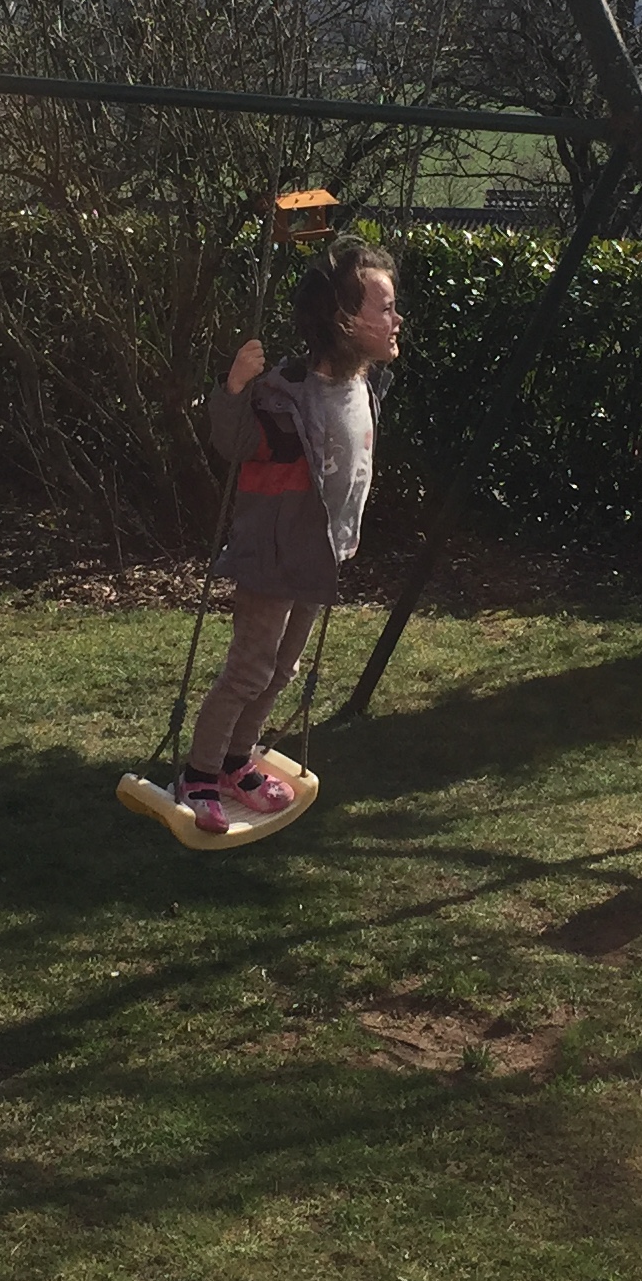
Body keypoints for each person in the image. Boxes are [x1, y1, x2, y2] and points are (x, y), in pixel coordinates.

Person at [126, 235, 401, 840]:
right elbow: (235, 443)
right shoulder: (284, 395)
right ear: (344, 321)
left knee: (281, 671)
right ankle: (199, 773)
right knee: (249, 670)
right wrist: (234, 389)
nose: (396, 319)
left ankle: (235, 761)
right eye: (384, 309)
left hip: (318, 557)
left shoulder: (362, 384)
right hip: (271, 556)